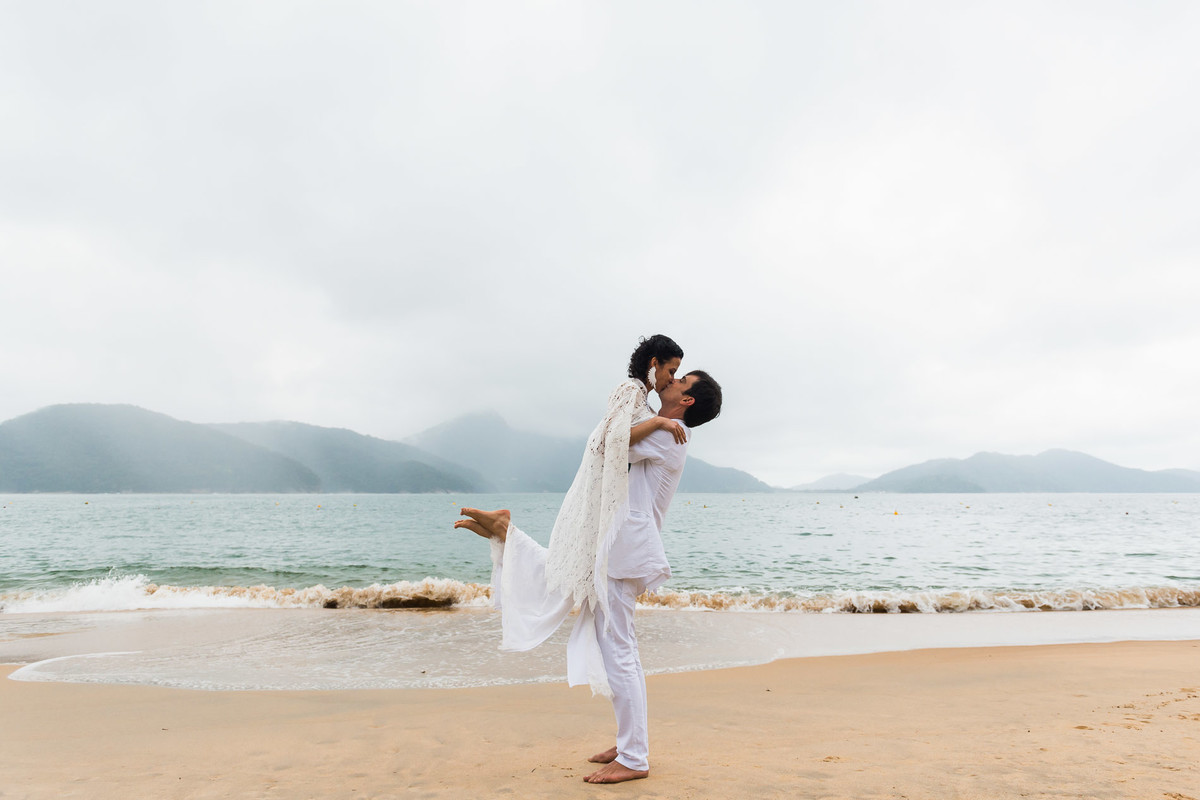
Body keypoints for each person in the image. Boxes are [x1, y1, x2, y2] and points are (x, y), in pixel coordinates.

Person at [455, 369, 723, 784]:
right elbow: (620, 432)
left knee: (619, 651)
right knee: (566, 584)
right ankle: (507, 531)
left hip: (625, 553)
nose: (669, 380)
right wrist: (648, 410)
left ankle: (635, 757)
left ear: (687, 401)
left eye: (679, 379)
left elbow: (608, 444)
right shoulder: (660, 425)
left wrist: (648, 413)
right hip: (614, 546)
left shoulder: (670, 435)